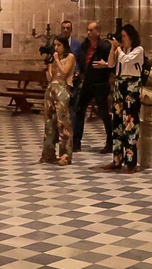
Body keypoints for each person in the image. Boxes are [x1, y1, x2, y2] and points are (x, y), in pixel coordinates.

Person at [106, 24, 146, 172]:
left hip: (132, 85)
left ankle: (131, 162)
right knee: (116, 122)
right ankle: (116, 159)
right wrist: (112, 49)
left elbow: (126, 61)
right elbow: (111, 64)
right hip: (119, 83)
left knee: (130, 122)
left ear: (131, 36)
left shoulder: (138, 50)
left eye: (123, 36)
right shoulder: (121, 50)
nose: (122, 40)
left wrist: (118, 49)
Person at [72, 21, 113, 153]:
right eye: (88, 30)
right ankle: (76, 142)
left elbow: (113, 64)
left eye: (91, 30)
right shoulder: (85, 45)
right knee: (79, 109)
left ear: (98, 32)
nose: (88, 33)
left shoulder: (105, 46)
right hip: (87, 83)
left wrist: (105, 64)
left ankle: (110, 142)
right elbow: (81, 60)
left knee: (104, 113)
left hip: (100, 83)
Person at [40, 37, 76, 165]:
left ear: (64, 46)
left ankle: (65, 155)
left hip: (63, 90)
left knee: (63, 123)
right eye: (55, 45)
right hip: (51, 90)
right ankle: (48, 153)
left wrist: (56, 60)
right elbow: (50, 77)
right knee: (49, 122)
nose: (56, 48)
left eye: (59, 45)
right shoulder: (54, 59)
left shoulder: (70, 57)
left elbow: (65, 72)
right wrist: (49, 66)